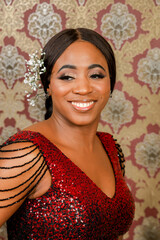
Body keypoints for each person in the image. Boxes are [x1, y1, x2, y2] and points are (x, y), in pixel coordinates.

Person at [0, 28, 135, 240]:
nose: (83, 88)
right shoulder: (27, 154)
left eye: (96, 75)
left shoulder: (111, 148)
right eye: (67, 77)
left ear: (110, 83)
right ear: (47, 85)